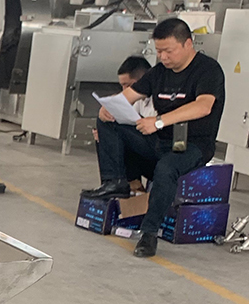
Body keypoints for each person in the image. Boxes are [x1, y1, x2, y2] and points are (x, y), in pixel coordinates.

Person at [82, 18, 225, 258]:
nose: (163, 57)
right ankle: (115, 182)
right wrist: (109, 107)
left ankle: (149, 234)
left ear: (188, 44)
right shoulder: (159, 72)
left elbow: (203, 106)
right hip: (158, 140)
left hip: (191, 146)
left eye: (168, 51)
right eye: (158, 51)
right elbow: (129, 94)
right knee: (107, 122)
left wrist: (159, 121)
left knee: (166, 168)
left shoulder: (208, 70)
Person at [92, 55, 152, 187]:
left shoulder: (157, 100)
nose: (125, 91)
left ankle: (122, 184)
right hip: (144, 149)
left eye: (128, 85)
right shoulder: (137, 100)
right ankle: (118, 184)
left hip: (158, 152)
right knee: (105, 132)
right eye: (122, 86)